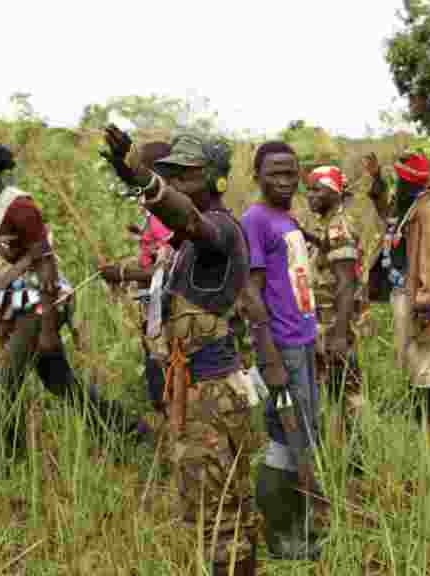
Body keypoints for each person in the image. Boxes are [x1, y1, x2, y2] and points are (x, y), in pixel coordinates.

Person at [102, 126, 256, 575]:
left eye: (186, 176)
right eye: (171, 175)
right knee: (228, 510)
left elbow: (189, 219)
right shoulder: (188, 243)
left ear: (215, 179)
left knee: (220, 518)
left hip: (210, 395)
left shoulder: (220, 230)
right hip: (199, 390)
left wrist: (146, 183)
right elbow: (162, 259)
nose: (178, 183)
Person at [0, 136, 148, 460]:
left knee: (2, 392)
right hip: (17, 305)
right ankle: (129, 431)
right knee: (61, 383)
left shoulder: (19, 206)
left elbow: (46, 264)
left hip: (39, 306)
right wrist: (1, 321)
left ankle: (12, 463)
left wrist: (48, 330)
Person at [239, 141, 323, 560]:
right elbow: (251, 294)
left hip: (303, 340)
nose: (285, 181)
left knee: (301, 435)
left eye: (291, 172)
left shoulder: (285, 217)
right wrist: (268, 355)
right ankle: (280, 535)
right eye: (275, 173)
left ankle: (298, 529)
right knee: (288, 438)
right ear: (257, 175)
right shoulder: (254, 219)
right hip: (282, 346)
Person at [363, 150, 430, 432]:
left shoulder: (426, 212)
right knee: (410, 355)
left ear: (410, 184)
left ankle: (426, 421)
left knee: (423, 358)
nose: (397, 186)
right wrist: (376, 178)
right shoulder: (406, 207)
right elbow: (385, 212)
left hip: (417, 298)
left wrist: (426, 303)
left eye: (400, 181)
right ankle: (418, 416)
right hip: (402, 292)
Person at [98, 140, 175, 414]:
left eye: (135, 171)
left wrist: (122, 273)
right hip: (157, 305)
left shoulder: (164, 214)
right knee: (160, 371)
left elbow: (167, 269)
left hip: (166, 307)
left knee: (164, 376)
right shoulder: (155, 210)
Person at [305, 165, 366, 466]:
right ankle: (343, 452)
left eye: (318, 189)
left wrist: (340, 334)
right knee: (335, 390)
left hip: (335, 324)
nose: (310, 195)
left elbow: (345, 283)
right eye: (309, 189)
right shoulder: (327, 225)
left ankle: (356, 460)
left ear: (335, 192)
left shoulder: (338, 226)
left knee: (346, 391)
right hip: (326, 322)